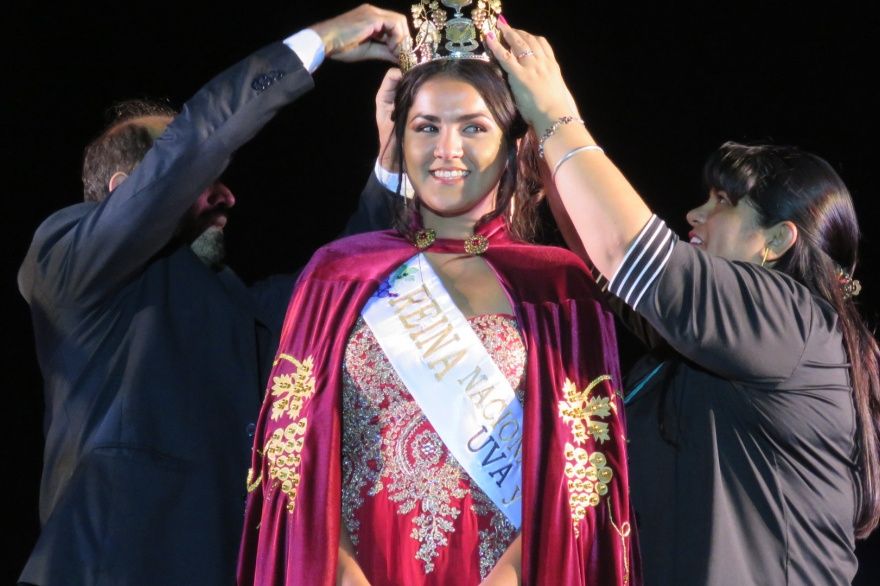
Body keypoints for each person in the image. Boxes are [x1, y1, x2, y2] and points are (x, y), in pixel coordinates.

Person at [237, 4, 639, 585]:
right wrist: (342, 572)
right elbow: (293, 453)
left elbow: (582, 473)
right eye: (426, 127)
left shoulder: (558, 288)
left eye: (473, 127)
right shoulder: (338, 274)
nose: (446, 148)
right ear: (398, 137)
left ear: (512, 145)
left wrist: (511, 575)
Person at [16, 5, 408, 585]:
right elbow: (197, 138)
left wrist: (395, 158)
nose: (227, 196)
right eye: (202, 179)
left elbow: (339, 285)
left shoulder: (236, 305)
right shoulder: (68, 266)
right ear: (128, 192)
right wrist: (319, 41)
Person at [484, 18, 880, 586]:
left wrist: (557, 115)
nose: (694, 215)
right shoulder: (711, 348)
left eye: (722, 202)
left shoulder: (796, 323)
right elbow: (606, 263)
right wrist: (539, 144)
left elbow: (630, 250)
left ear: (776, 241)